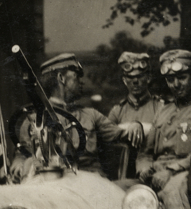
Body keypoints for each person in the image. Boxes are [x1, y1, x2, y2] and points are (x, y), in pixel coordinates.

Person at [13, 53, 143, 177]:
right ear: (61, 78)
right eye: (77, 76)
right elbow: (23, 153)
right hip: (54, 183)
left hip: (91, 181)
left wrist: (135, 125)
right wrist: (18, 162)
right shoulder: (35, 119)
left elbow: (120, 134)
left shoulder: (91, 114)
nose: (82, 82)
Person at [137, 50, 191, 209]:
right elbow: (146, 152)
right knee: (117, 192)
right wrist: (142, 168)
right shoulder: (163, 111)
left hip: (189, 172)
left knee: (174, 194)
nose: (176, 84)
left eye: (181, 78)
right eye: (170, 79)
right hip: (156, 174)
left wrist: (170, 171)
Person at [107, 51, 163, 178]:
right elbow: (106, 138)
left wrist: (140, 127)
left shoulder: (160, 107)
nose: (135, 81)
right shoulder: (117, 111)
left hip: (152, 171)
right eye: (130, 78)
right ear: (124, 80)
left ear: (148, 78)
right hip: (122, 173)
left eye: (139, 76)